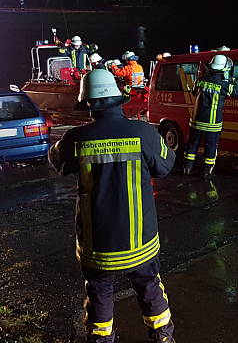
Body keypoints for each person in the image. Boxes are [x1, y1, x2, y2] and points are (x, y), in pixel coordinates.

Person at [48, 69, 177, 343]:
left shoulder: (75, 139)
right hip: (140, 241)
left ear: (89, 104)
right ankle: (163, 339)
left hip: (97, 245)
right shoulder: (143, 132)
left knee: (99, 295)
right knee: (150, 289)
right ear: (118, 99)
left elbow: (56, 159)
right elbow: (166, 165)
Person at [183, 54, 238, 178]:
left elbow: (193, 92)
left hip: (196, 121)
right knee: (210, 148)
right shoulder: (224, 85)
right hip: (212, 123)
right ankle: (206, 172)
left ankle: (187, 168)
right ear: (223, 70)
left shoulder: (200, 80)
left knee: (192, 144)